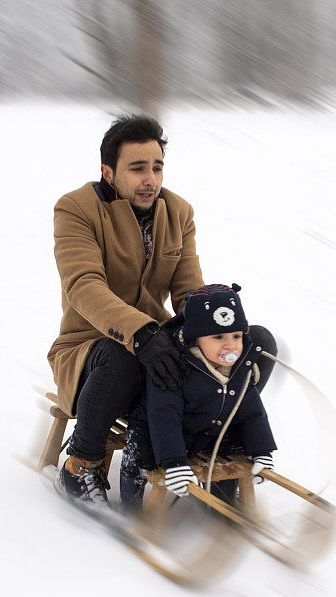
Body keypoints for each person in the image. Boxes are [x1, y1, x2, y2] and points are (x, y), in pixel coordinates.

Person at [47, 115, 277, 508]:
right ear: (108, 171)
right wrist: (141, 333)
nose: (150, 179)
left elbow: (189, 294)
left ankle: (215, 439)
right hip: (91, 348)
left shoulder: (178, 211)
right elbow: (83, 286)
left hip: (160, 343)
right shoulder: (76, 209)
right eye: (137, 168)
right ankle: (80, 464)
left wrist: (218, 329)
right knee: (124, 357)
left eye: (157, 167)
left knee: (257, 343)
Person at [120, 284, 276, 510]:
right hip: (156, 428)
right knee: (141, 452)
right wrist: (174, 462)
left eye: (236, 336)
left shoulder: (240, 366)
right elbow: (164, 416)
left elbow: (251, 412)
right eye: (218, 336)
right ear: (195, 338)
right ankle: (130, 507)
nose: (230, 345)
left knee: (230, 444)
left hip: (203, 429)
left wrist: (261, 450)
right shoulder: (175, 364)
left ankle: (222, 505)